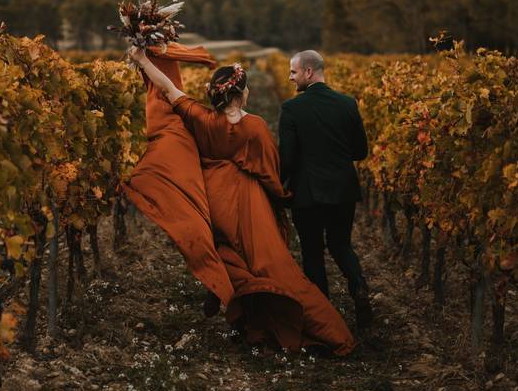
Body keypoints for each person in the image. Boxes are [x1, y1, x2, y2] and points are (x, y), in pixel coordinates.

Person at [128, 46, 355, 356]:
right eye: (246, 88)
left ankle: (243, 316)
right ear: (241, 93)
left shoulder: (202, 118)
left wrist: (143, 60)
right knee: (273, 266)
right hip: (250, 204)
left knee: (232, 258)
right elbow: (270, 173)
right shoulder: (256, 127)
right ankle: (332, 334)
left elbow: (168, 89)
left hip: (215, 201)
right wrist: (283, 197)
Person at [278, 50, 373, 331]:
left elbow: (288, 159)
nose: (290, 77)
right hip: (343, 190)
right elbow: (360, 151)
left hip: (307, 194)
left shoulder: (292, 109)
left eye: (293, 72)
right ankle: (359, 286)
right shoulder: (347, 104)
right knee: (341, 244)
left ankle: (325, 318)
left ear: (308, 72)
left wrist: (277, 188)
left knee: (312, 252)